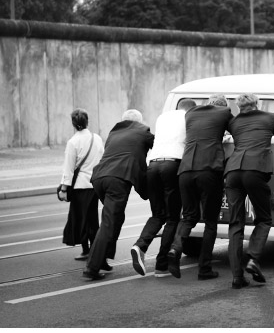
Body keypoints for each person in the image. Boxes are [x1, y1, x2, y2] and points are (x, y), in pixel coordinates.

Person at [224, 93, 274, 289]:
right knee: (264, 219)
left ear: (239, 107)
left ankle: (237, 278)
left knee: (235, 225)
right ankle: (253, 258)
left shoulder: (234, 122)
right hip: (255, 170)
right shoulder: (269, 117)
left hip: (232, 172)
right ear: (257, 104)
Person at [83, 109, 154, 280]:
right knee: (109, 223)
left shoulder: (113, 133)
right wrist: (149, 191)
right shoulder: (143, 131)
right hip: (117, 180)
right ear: (139, 121)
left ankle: (102, 260)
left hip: (99, 178)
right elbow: (159, 148)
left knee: (115, 219)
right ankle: (92, 268)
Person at [167, 95, 233, 281]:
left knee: (188, 216)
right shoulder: (224, 112)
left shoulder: (191, 113)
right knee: (210, 222)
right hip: (209, 170)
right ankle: (204, 268)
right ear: (223, 106)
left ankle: (175, 248)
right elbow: (240, 130)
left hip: (186, 170)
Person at [130, 98, 197, 278]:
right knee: (173, 218)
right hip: (172, 165)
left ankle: (140, 245)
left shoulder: (163, 117)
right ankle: (161, 265)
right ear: (191, 110)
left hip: (153, 166)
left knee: (158, 214)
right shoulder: (189, 118)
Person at [59, 108, 105, 261]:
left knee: (80, 220)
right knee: (93, 220)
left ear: (73, 124)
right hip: (95, 185)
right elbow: (102, 160)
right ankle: (95, 249)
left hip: (80, 187)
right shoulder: (97, 138)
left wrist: (64, 188)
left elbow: (69, 167)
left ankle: (86, 250)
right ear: (87, 121)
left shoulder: (73, 142)